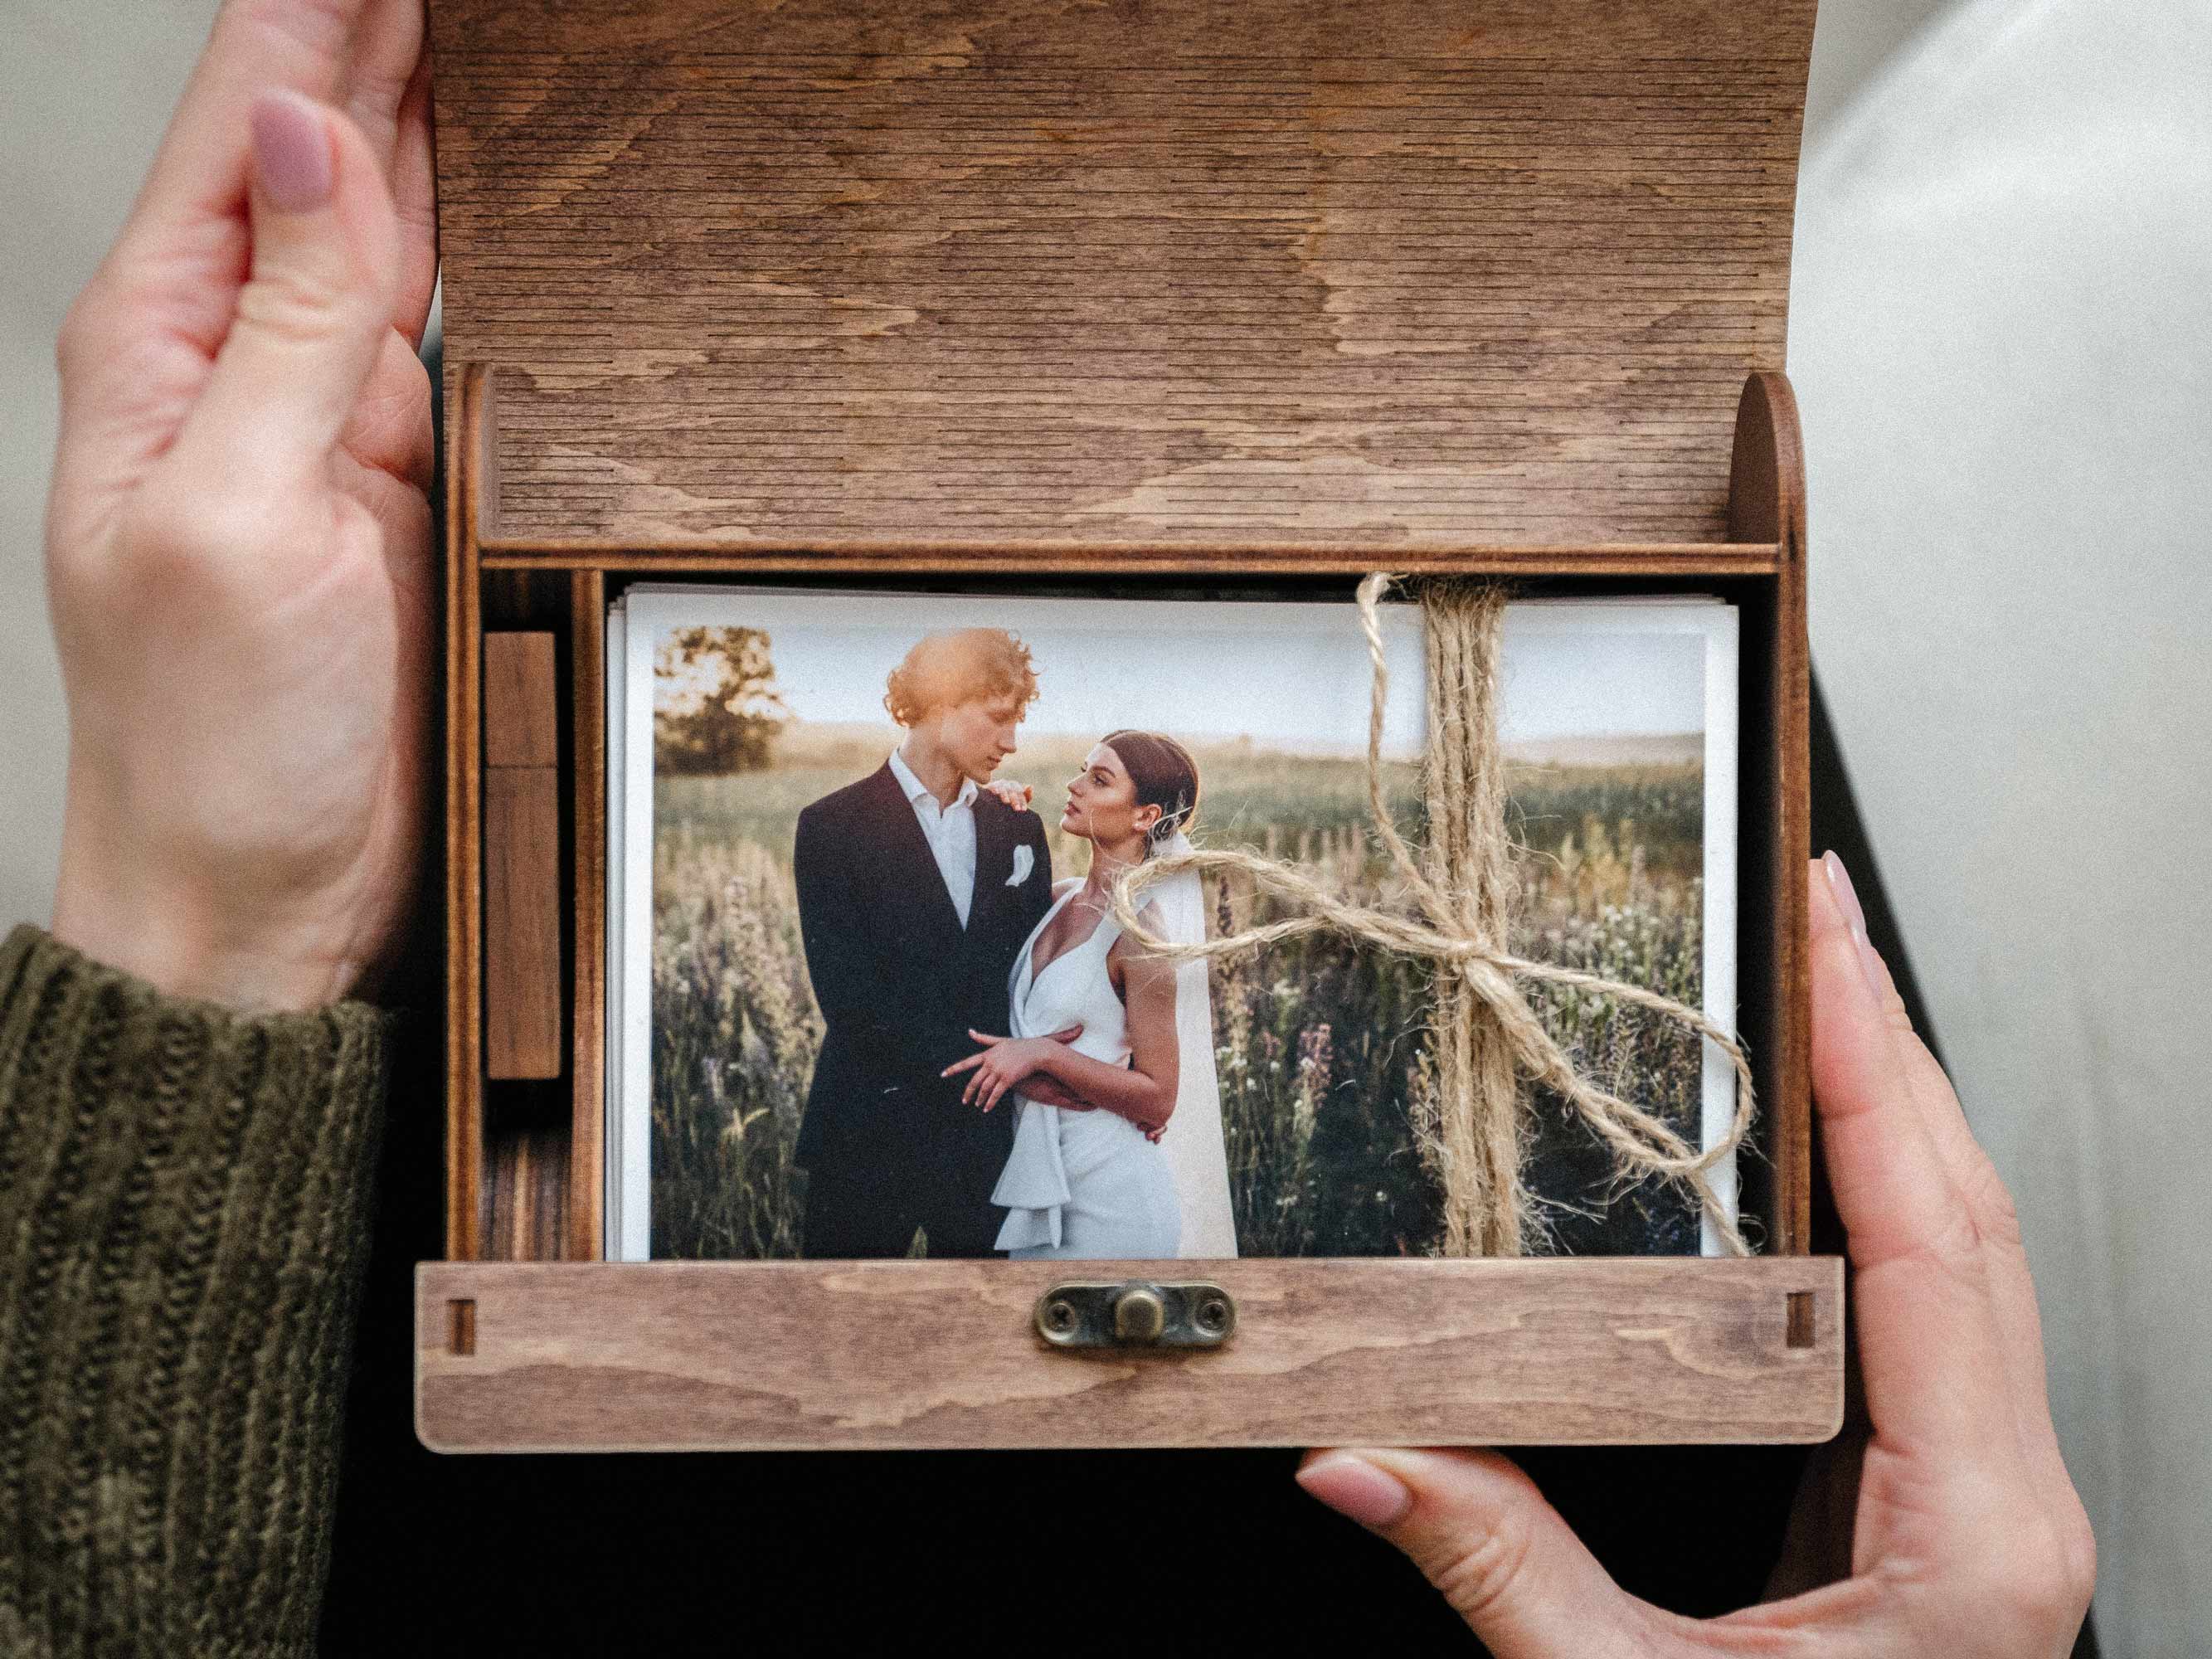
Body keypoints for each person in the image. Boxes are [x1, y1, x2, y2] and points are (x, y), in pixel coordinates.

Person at [2, 1, 2093, 1652]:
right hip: (866, 1226)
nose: (1041, 747)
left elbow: (1144, 1045)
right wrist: (201, 929)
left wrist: (1036, 1046)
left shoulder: (1121, 884)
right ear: (945, 713)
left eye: (1065, 739)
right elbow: (856, 989)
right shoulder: (859, 822)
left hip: (1091, 1193)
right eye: (1016, 717)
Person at [788, 629, 1062, 1258]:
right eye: (997, 719)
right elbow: (848, 999)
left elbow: (1028, 974)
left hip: (985, 1144)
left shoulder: (1016, 826)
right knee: (840, 1329)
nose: (1011, 743)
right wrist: (993, 1070)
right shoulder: (832, 825)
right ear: (941, 701)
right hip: (867, 1131)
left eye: (1016, 722)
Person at [947, 731, 1237, 1258]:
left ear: (1144, 816)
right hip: (1035, 1184)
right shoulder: (1055, 901)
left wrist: (1042, 1054)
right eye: (1084, 770)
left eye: (1099, 780)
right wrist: (991, 809)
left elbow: (1158, 1096)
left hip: (1112, 1198)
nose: (1074, 786)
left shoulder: (1139, 935)